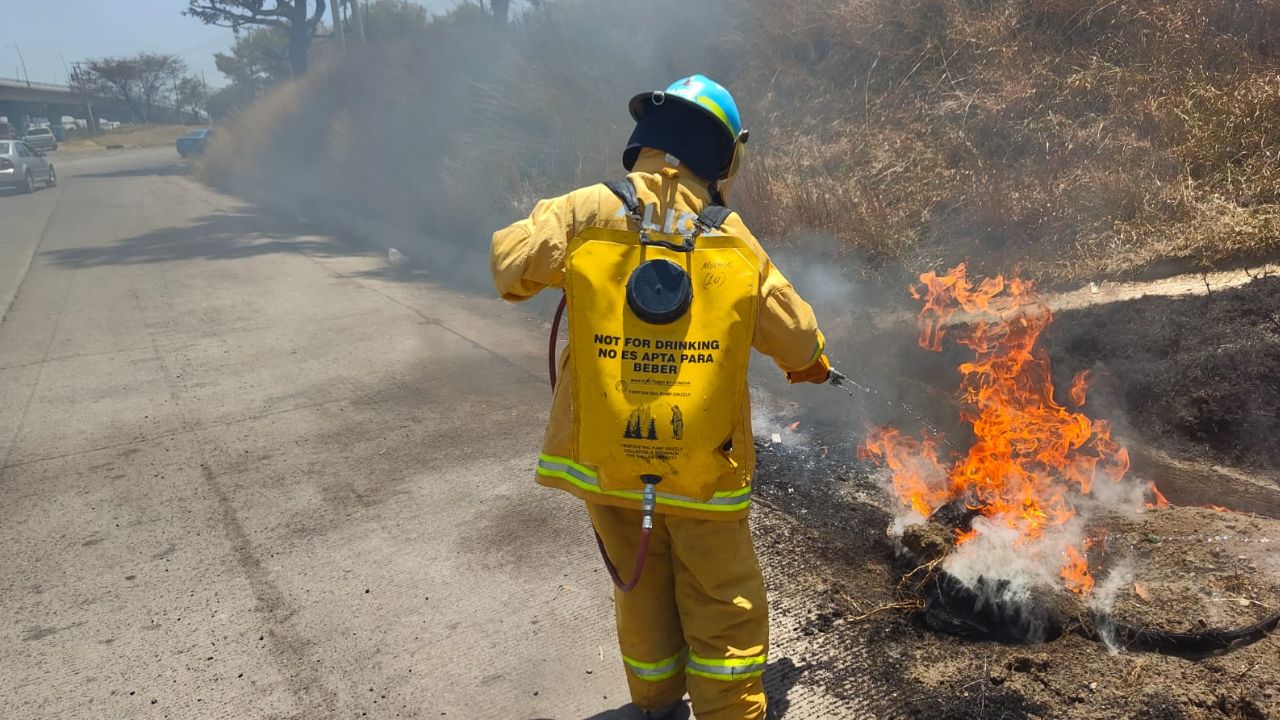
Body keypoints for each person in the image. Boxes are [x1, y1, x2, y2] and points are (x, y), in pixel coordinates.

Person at [490, 74, 832, 720]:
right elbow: (793, 330)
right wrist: (813, 366)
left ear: (646, 139)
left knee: (640, 589)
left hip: (608, 463)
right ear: (723, 156)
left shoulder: (590, 210)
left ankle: (655, 703)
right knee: (722, 601)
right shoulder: (730, 236)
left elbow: (509, 262)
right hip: (703, 473)